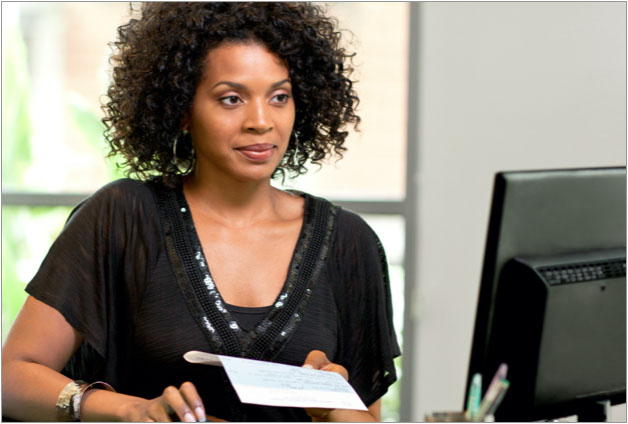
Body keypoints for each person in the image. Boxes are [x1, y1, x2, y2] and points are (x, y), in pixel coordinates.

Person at [2, 2, 400, 422]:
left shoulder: (348, 243)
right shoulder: (122, 218)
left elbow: (366, 417)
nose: (261, 121)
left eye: (279, 97)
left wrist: (333, 408)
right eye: (231, 99)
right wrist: (131, 411)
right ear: (182, 110)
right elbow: (10, 379)